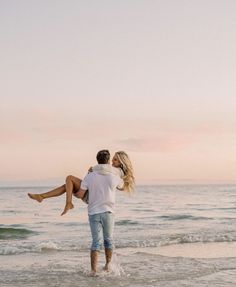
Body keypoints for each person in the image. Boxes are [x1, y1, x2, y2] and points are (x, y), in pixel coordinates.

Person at [75, 149, 134, 276]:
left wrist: (72, 192)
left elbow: (80, 195)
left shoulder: (89, 175)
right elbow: (122, 187)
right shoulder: (115, 176)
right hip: (109, 212)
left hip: (94, 212)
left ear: (97, 160)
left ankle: (93, 271)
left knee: (96, 241)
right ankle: (107, 265)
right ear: (107, 161)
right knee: (108, 240)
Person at [28, 151, 135, 216]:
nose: (112, 162)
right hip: (91, 194)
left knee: (69, 178)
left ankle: (68, 203)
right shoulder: (114, 171)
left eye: (115, 160)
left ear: (121, 162)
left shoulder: (116, 171)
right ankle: (42, 196)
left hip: (91, 195)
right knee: (67, 185)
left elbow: (103, 169)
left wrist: (93, 169)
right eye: (112, 160)